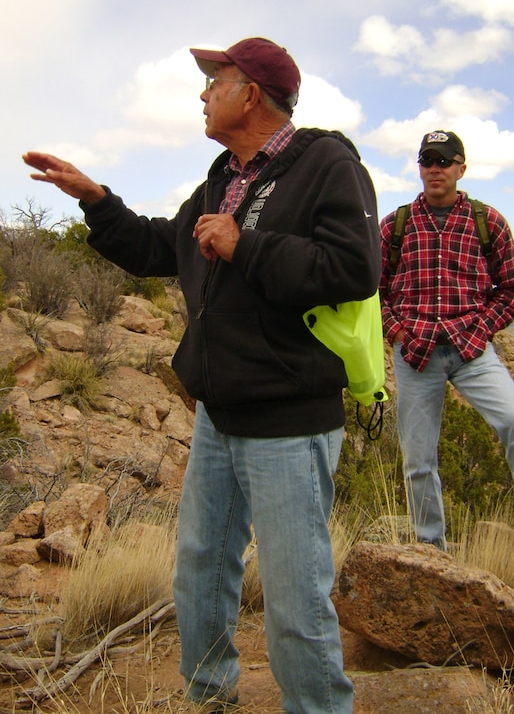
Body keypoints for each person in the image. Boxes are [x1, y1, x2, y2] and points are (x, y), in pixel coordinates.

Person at [23, 36, 381, 713]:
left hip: (288, 422)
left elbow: (355, 269)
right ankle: (210, 696)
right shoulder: (223, 177)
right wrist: (96, 199)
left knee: (295, 600)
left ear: (251, 93)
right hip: (218, 418)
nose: (201, 95)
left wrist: (247, 245)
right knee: (200, 572)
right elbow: (163, 247)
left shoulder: (327, 164)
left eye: (213, 82)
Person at [379, 129, 514, 552]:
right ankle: (431, 550)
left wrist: (480, 328)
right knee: (418, 461)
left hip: (472, 351)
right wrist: (397, 331)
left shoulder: (488, 222)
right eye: (427, 161)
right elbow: (372, 291)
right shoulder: (394, 225)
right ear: (419, 168)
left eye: (445, 161)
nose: (435, 169)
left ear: (461, 168)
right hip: (415, 353)